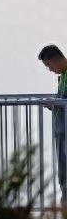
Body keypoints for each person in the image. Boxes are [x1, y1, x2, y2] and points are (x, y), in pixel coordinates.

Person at [39, 44, 67, 202]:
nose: (50, 69)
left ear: (56, 59)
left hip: (65, 131)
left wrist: (56, 104)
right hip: (61, 132)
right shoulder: (62, 77)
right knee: (63, 176)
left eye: (49, 65)